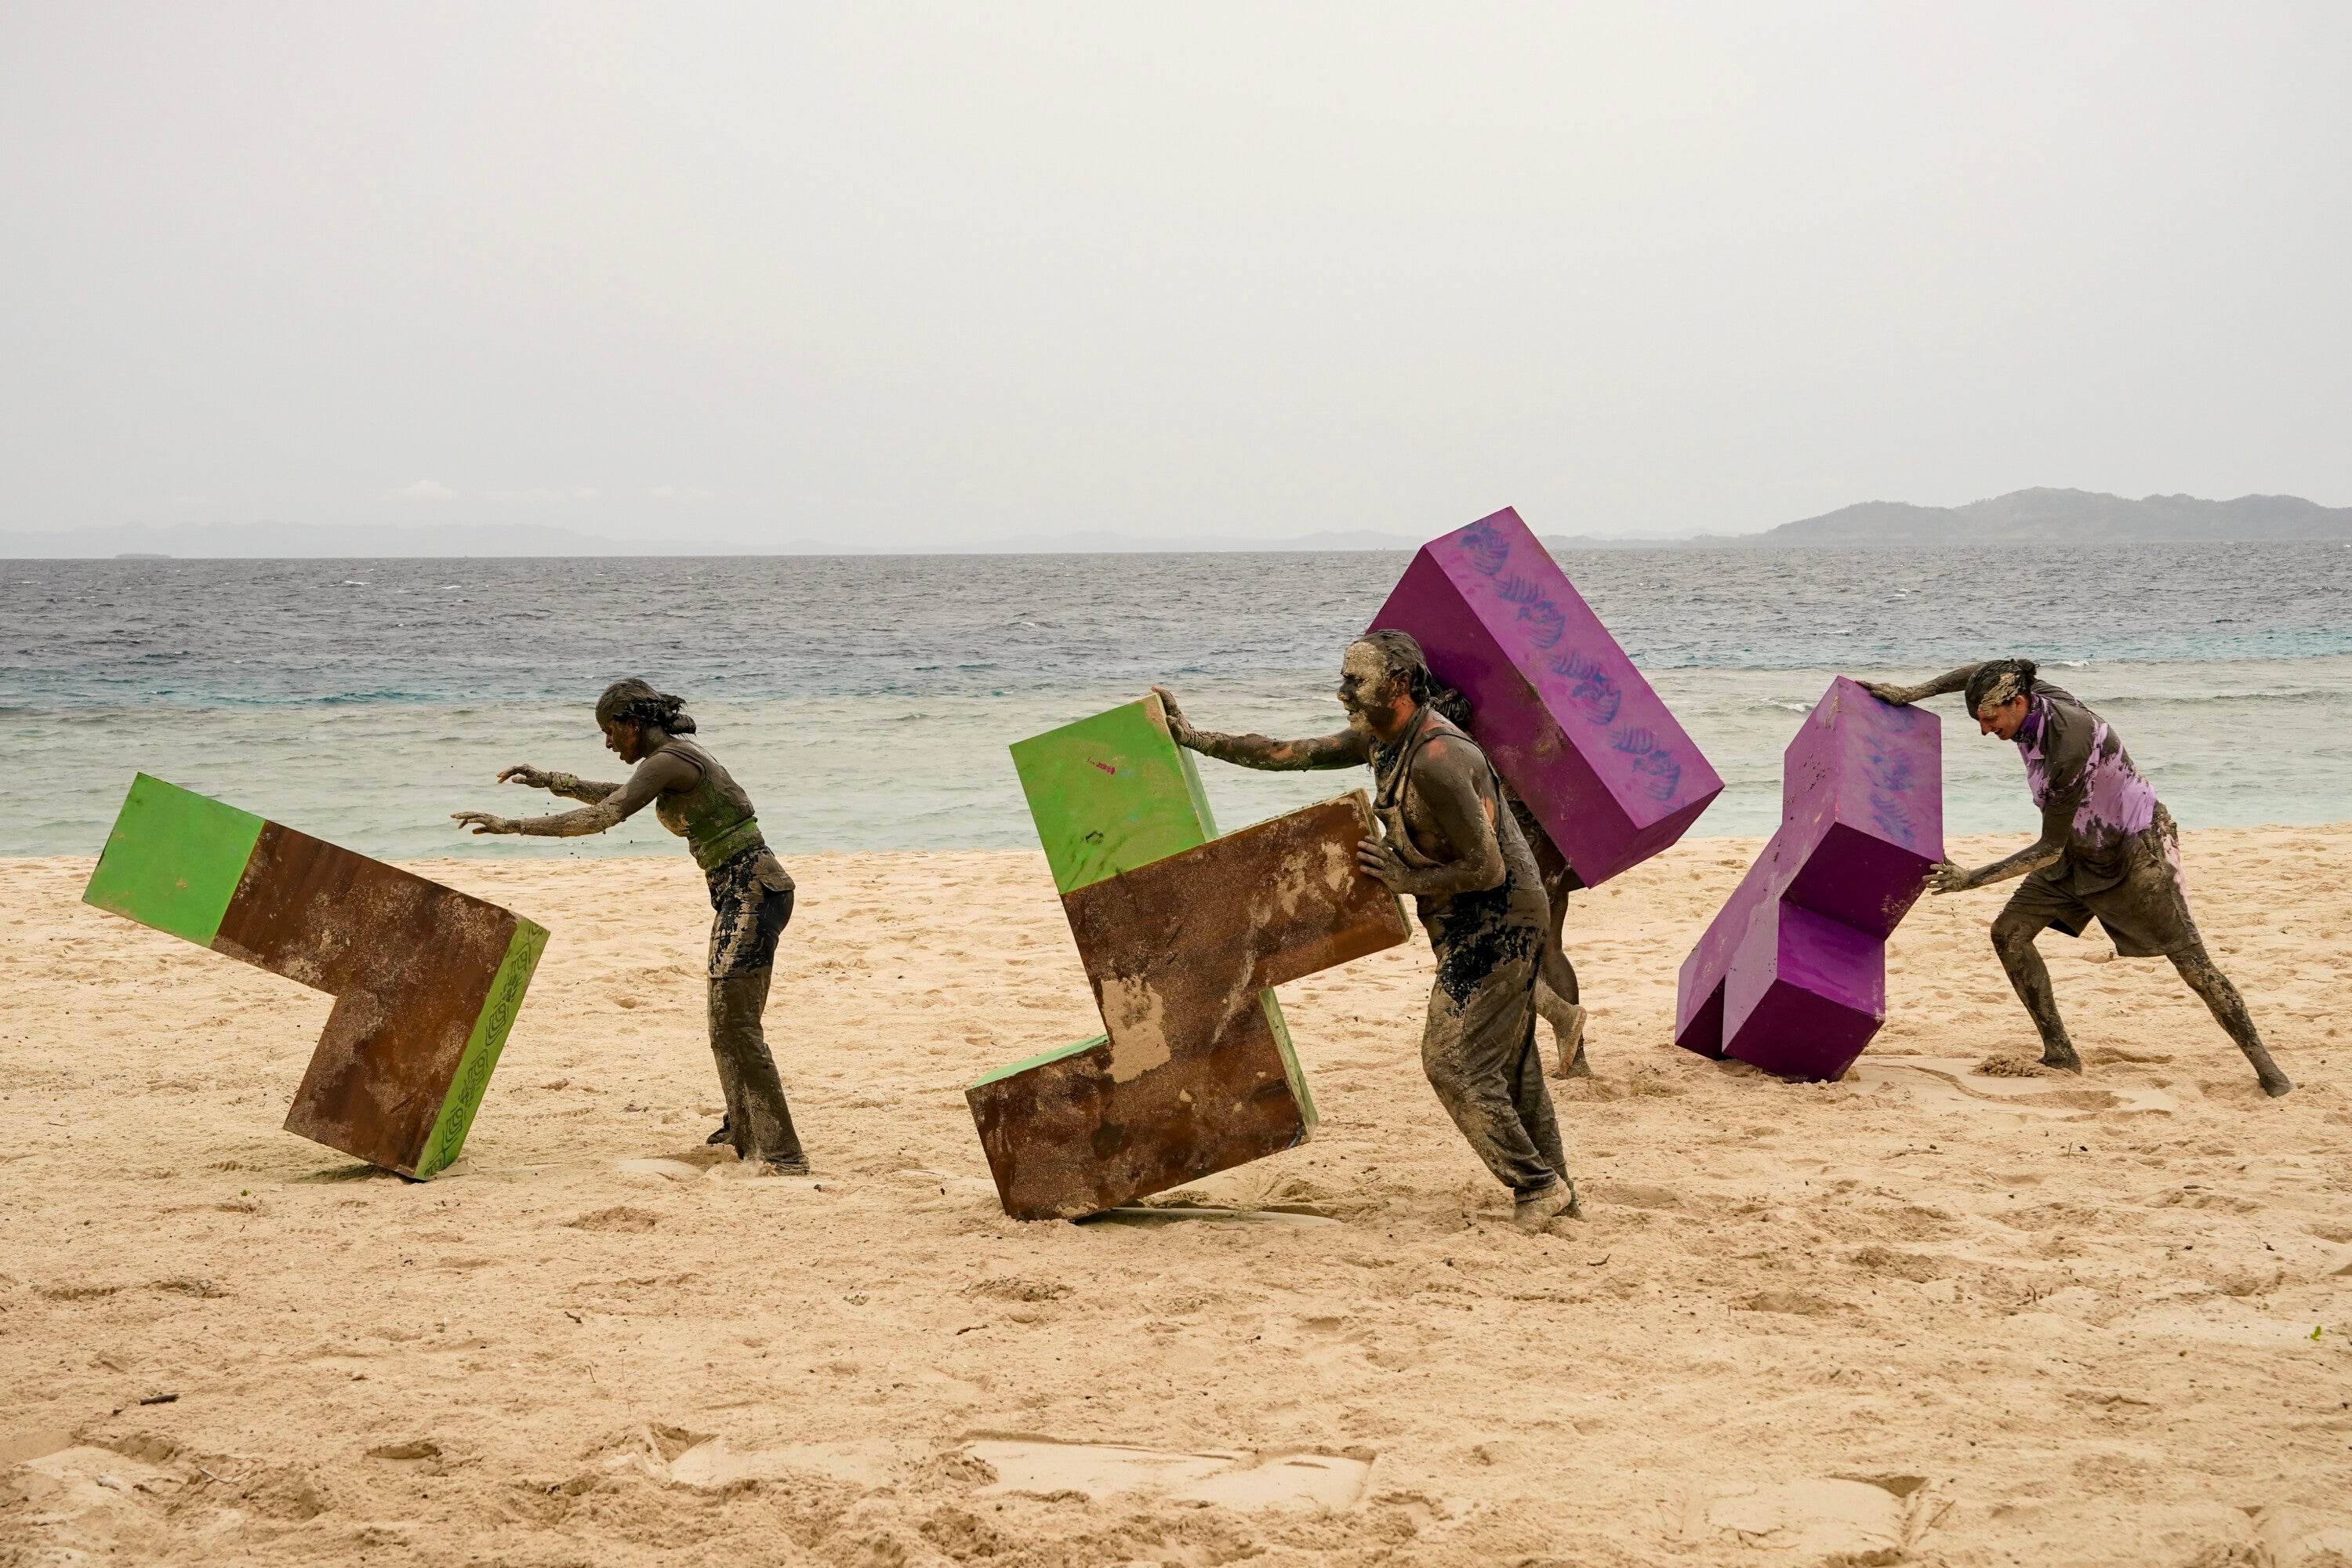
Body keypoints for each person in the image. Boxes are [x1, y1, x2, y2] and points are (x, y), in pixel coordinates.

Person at [1152, 629, 1582, 1229]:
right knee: (1510, 1066)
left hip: (1500, 919)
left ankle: (1536, 1186)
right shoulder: (1381, 741)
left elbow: (1486, 867)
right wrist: (1195, 738)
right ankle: (1558, 1193)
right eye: (1344, 678)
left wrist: (1404, 875)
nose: (1342, 693)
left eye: (1356, 681)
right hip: (1467, 919)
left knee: (1453, 1063)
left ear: (1400, 685)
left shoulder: (1439, 758)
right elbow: (1286, 751)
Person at [1860, 659, 2291, 1097]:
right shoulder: (2029, 694)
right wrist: (1913, 693)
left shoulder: (2069, 742)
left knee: (2192, 963)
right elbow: (1983, 671)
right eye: (1977, 720)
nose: (1985, 731)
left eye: (1990, 719)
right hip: (2075, 852)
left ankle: (2268, 1070)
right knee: (2009, 933)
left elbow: (2046, 849)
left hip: (2134, 854)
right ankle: (2060, 1052)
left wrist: (1969, 879)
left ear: (2019, 703)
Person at [452, 679, 812, 1167]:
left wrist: (511, 825)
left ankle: (781, 1154)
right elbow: (621, 794)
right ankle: (744, 1125)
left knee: (736, 1024)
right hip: (745, 891)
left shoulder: (669, 760)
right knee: (726, 1022)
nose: (607, 743)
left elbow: (605, 815)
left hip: (753, 890)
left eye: (609, 732)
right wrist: (551, 780)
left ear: (632, 725)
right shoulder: (669, 760)